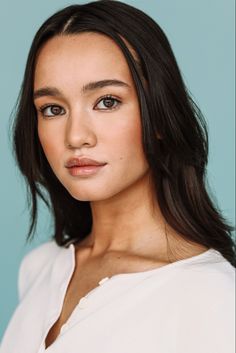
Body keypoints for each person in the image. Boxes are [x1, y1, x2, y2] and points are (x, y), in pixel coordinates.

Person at [0, 1, 235, 352]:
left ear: (159, 113)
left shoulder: (211, 297)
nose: (76, 136)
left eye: (107, 101)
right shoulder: (41, 268)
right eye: (53, 109)